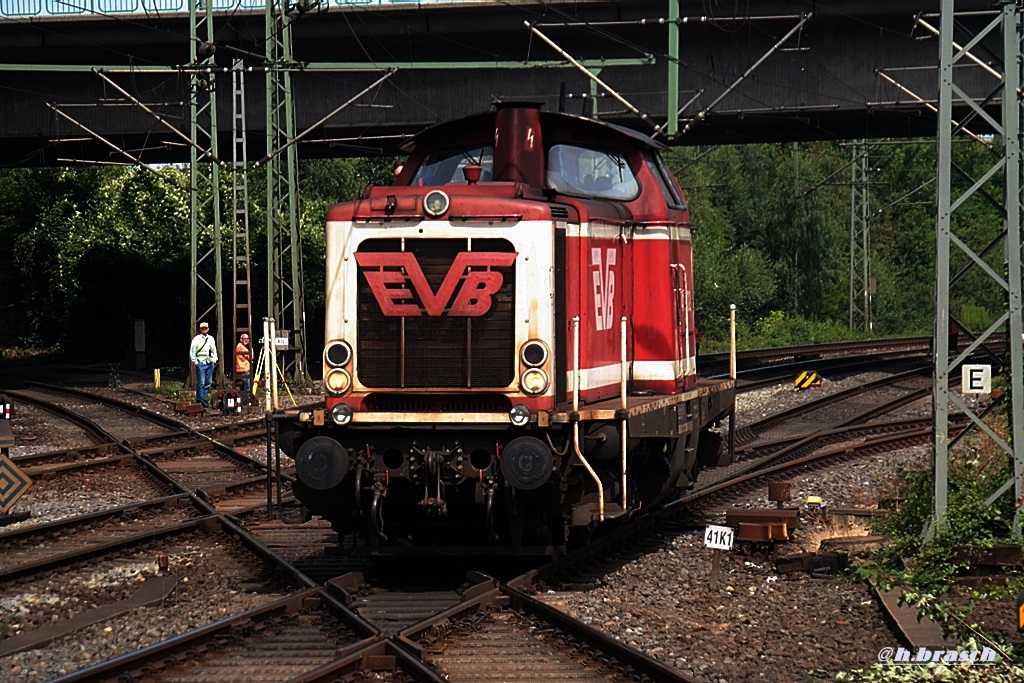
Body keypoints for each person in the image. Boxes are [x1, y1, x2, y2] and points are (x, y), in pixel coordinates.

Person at [189, 322, 218, 407]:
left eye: (206, 328)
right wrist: (196, 361)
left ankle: (204, 400)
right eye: (203, 328)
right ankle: (200, 399)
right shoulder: (196, 339)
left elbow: (214, 350)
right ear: (200, 329)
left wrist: (214, 359)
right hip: (201, 362)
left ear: (208, 329)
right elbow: (192, 351)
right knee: (201, 382)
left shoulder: (211, 339)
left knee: (208, 382)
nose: (204, 329)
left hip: (210, 362)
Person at [234, 332, 252, 408]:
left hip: (244, 369)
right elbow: (251, 356)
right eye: (245, 339)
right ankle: (243, 403)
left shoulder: (242, 346)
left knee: (243, 387)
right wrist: (251, 348)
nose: (247, 340)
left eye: (248, 339)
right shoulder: (241, 347)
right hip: (243, 369)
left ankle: (241, 402)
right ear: (241, 339)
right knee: (247, 387)